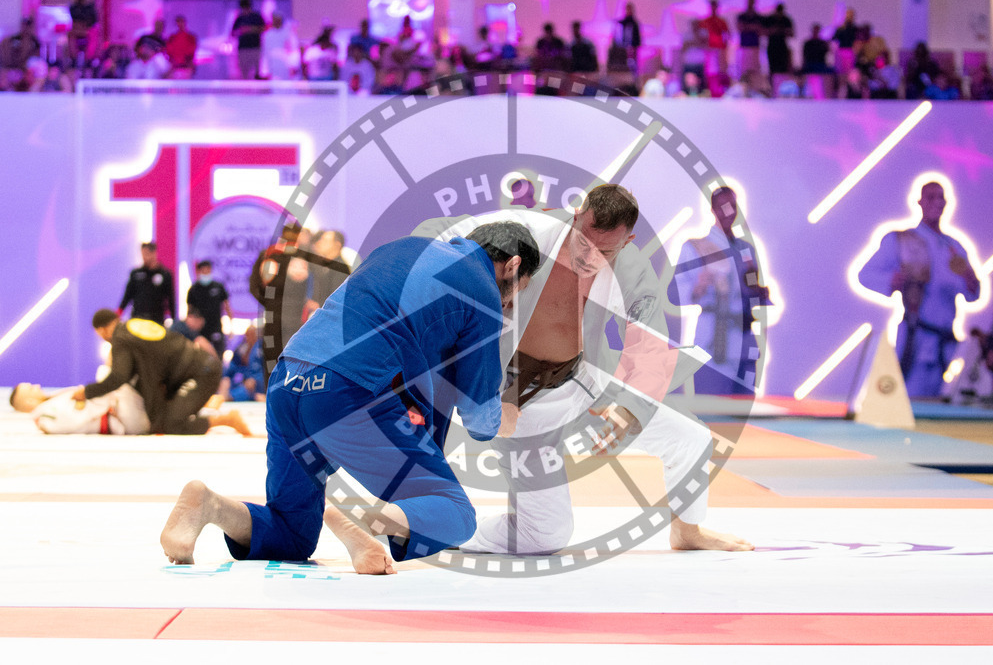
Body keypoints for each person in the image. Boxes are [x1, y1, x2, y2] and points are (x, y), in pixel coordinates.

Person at [159, 223, 541, 572]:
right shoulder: (482, 289)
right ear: (512, 266)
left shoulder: (401, 246)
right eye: (517, 291)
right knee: (457, 513)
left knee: (292, 535)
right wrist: (505, 417)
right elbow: (478, 419)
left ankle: (209, 505)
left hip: (288, 379)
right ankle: (363, 523)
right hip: (345, 392)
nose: (509, 302)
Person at [414, 184, 753, 556]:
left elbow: (650, 341)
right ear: (576, 217)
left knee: (690, 438)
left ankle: (687, 531)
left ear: (627, 242)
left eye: (605, 250)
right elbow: (436, 231)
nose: (590, 256)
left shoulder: (632, 269)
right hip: (512, 396)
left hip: (583, 383)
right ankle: (439, 531)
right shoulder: (531, 233)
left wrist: (630, 407)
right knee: (545, 536)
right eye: (583, 242)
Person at [858, 181, 981, 397]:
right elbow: (866, 275)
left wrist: (973, 284)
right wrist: (891, 280)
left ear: (946, 203)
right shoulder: (903, 239)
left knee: (941, 404)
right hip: (917, 335)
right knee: (909, 399)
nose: (936, 202)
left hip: (946, 339)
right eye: (930, 197)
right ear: (920, 202)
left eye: (940, 197)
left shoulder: (955, 248)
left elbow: (972, 294)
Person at [73, 309, 250, 435]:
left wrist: (88, 392)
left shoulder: (121, 338)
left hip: (200, 372)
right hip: (198, 369)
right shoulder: (133, 326)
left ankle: (227, 420)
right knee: (165, 416)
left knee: (170, 424)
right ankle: (205, 404)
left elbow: (120, 376)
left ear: (102, 330)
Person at [672, 186, 770, 395]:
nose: (728, 212)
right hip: (712, 339)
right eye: (722, 206)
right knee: (709, 412)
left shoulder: (746, 250)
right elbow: (677, 294)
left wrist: (759, 293)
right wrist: (700, 284)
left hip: (743, 337)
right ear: (712, 209)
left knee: (743, 414)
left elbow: (751, 289)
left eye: (732, 206)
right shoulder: (695, 247)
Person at [11, 382, 149, 435]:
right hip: (119, 418)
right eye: (31, 388)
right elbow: (76, 419)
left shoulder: (50, 404)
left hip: (120, 409)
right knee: (120, 376)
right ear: (29, 402)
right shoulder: (46, 419)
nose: (37, 386)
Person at [119, 242, 175, 324]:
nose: (144, 257)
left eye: (147, 254)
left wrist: (174, 318)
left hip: (156, 319)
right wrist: (119, 312)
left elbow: (170, 299)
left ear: (154, 253)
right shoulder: (136, 273)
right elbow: (127, 295)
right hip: (138, 317)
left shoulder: (165, 274)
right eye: (142, 254)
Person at [187, 260, 232, 357]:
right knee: (199, 357)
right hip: (199, 329)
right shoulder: (194, 289)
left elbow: (227, 305)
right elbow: (189, 311)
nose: (205, 273)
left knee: (218, 356)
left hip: (215, 327)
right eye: (203, 271)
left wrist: (231, 324)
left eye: (207, 270)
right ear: (199, 272)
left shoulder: (218, 287)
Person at [219, 325, 265, 402]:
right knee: (225, 382)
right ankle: (226, 398)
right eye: (247, 335)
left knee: (250, 386)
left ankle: (229, 397)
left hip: (258, 387)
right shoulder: (240, 349)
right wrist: (225, 379)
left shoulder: (260, 350)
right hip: (239, 384)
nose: (248, 338)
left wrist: (255, 380)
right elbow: (230, 369)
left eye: (251, 335)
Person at [232, 0, 265, 79]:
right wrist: (241, 31)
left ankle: (257, 89)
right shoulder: (239, 18)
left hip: (255, 48)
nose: (245, 10)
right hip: (243, 49)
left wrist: (250, 29)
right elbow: (233, 33)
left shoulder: (256, 17)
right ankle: (245, 90)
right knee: (244, 73)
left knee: (257, 72)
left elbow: (263, 28)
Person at [262, 12, 299, 80]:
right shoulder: (267, 35)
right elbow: (265, 53)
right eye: (275, 19)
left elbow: (294, 50)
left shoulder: (289, 33)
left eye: (278, 19)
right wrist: (265, 70)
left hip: (287, 68)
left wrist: (293, 65)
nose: (277, 21)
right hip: (273, 67)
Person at [764, 4, 794, 82]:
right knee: (772, 68)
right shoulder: (770, 19)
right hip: (772, 47)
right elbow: (763, 31)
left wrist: (782, 31)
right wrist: (773, 31)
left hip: (782, 47)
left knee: (783, 68)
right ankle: (772, 85)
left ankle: (782, 85)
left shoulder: (786, 20)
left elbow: (792, 34)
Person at [736, 0, 764, 77]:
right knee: (744, 69)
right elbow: (740, 27)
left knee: (755, 69)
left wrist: (747, 27)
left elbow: (761, 30)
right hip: (745, 46)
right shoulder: (742, 16)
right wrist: (753, 27)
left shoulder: (758, 17)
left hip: (755, 46)